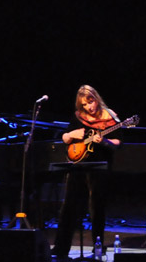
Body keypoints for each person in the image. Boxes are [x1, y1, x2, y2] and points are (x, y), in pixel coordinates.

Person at [52, 85, 122, 259]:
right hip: (77, 165)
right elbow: (65, 137)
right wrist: (72, 134)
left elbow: (119, 142)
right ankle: (61, 249)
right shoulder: (78, 117)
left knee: (97, 208)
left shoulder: (110, 116)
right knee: (68, 207)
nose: (88, 107)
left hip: (100, 166)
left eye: (90, 102)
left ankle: (97, 250)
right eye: (84, 104)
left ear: (96, 98)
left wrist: (105, 141)